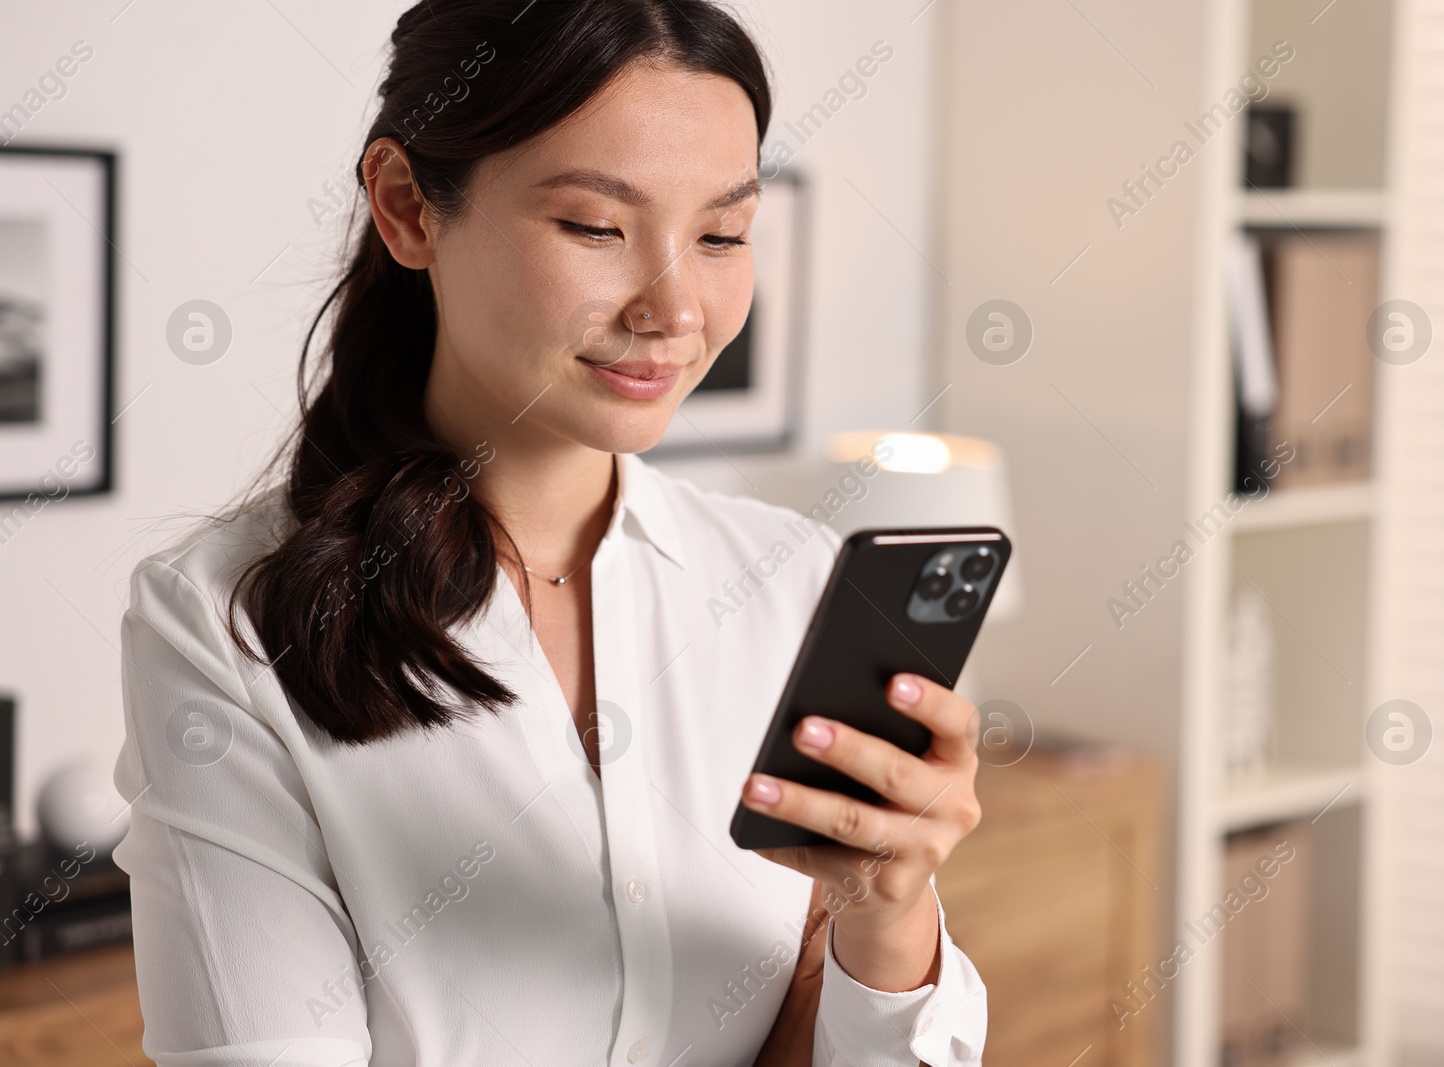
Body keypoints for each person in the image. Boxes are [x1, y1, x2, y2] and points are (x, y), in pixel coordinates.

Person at [113, 2, 987, 1064]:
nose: (673, 308)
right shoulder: (226, 621)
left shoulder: (788, 583)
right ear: (406, 208)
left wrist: (887, 912)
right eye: (595, 226)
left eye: (721, 234)